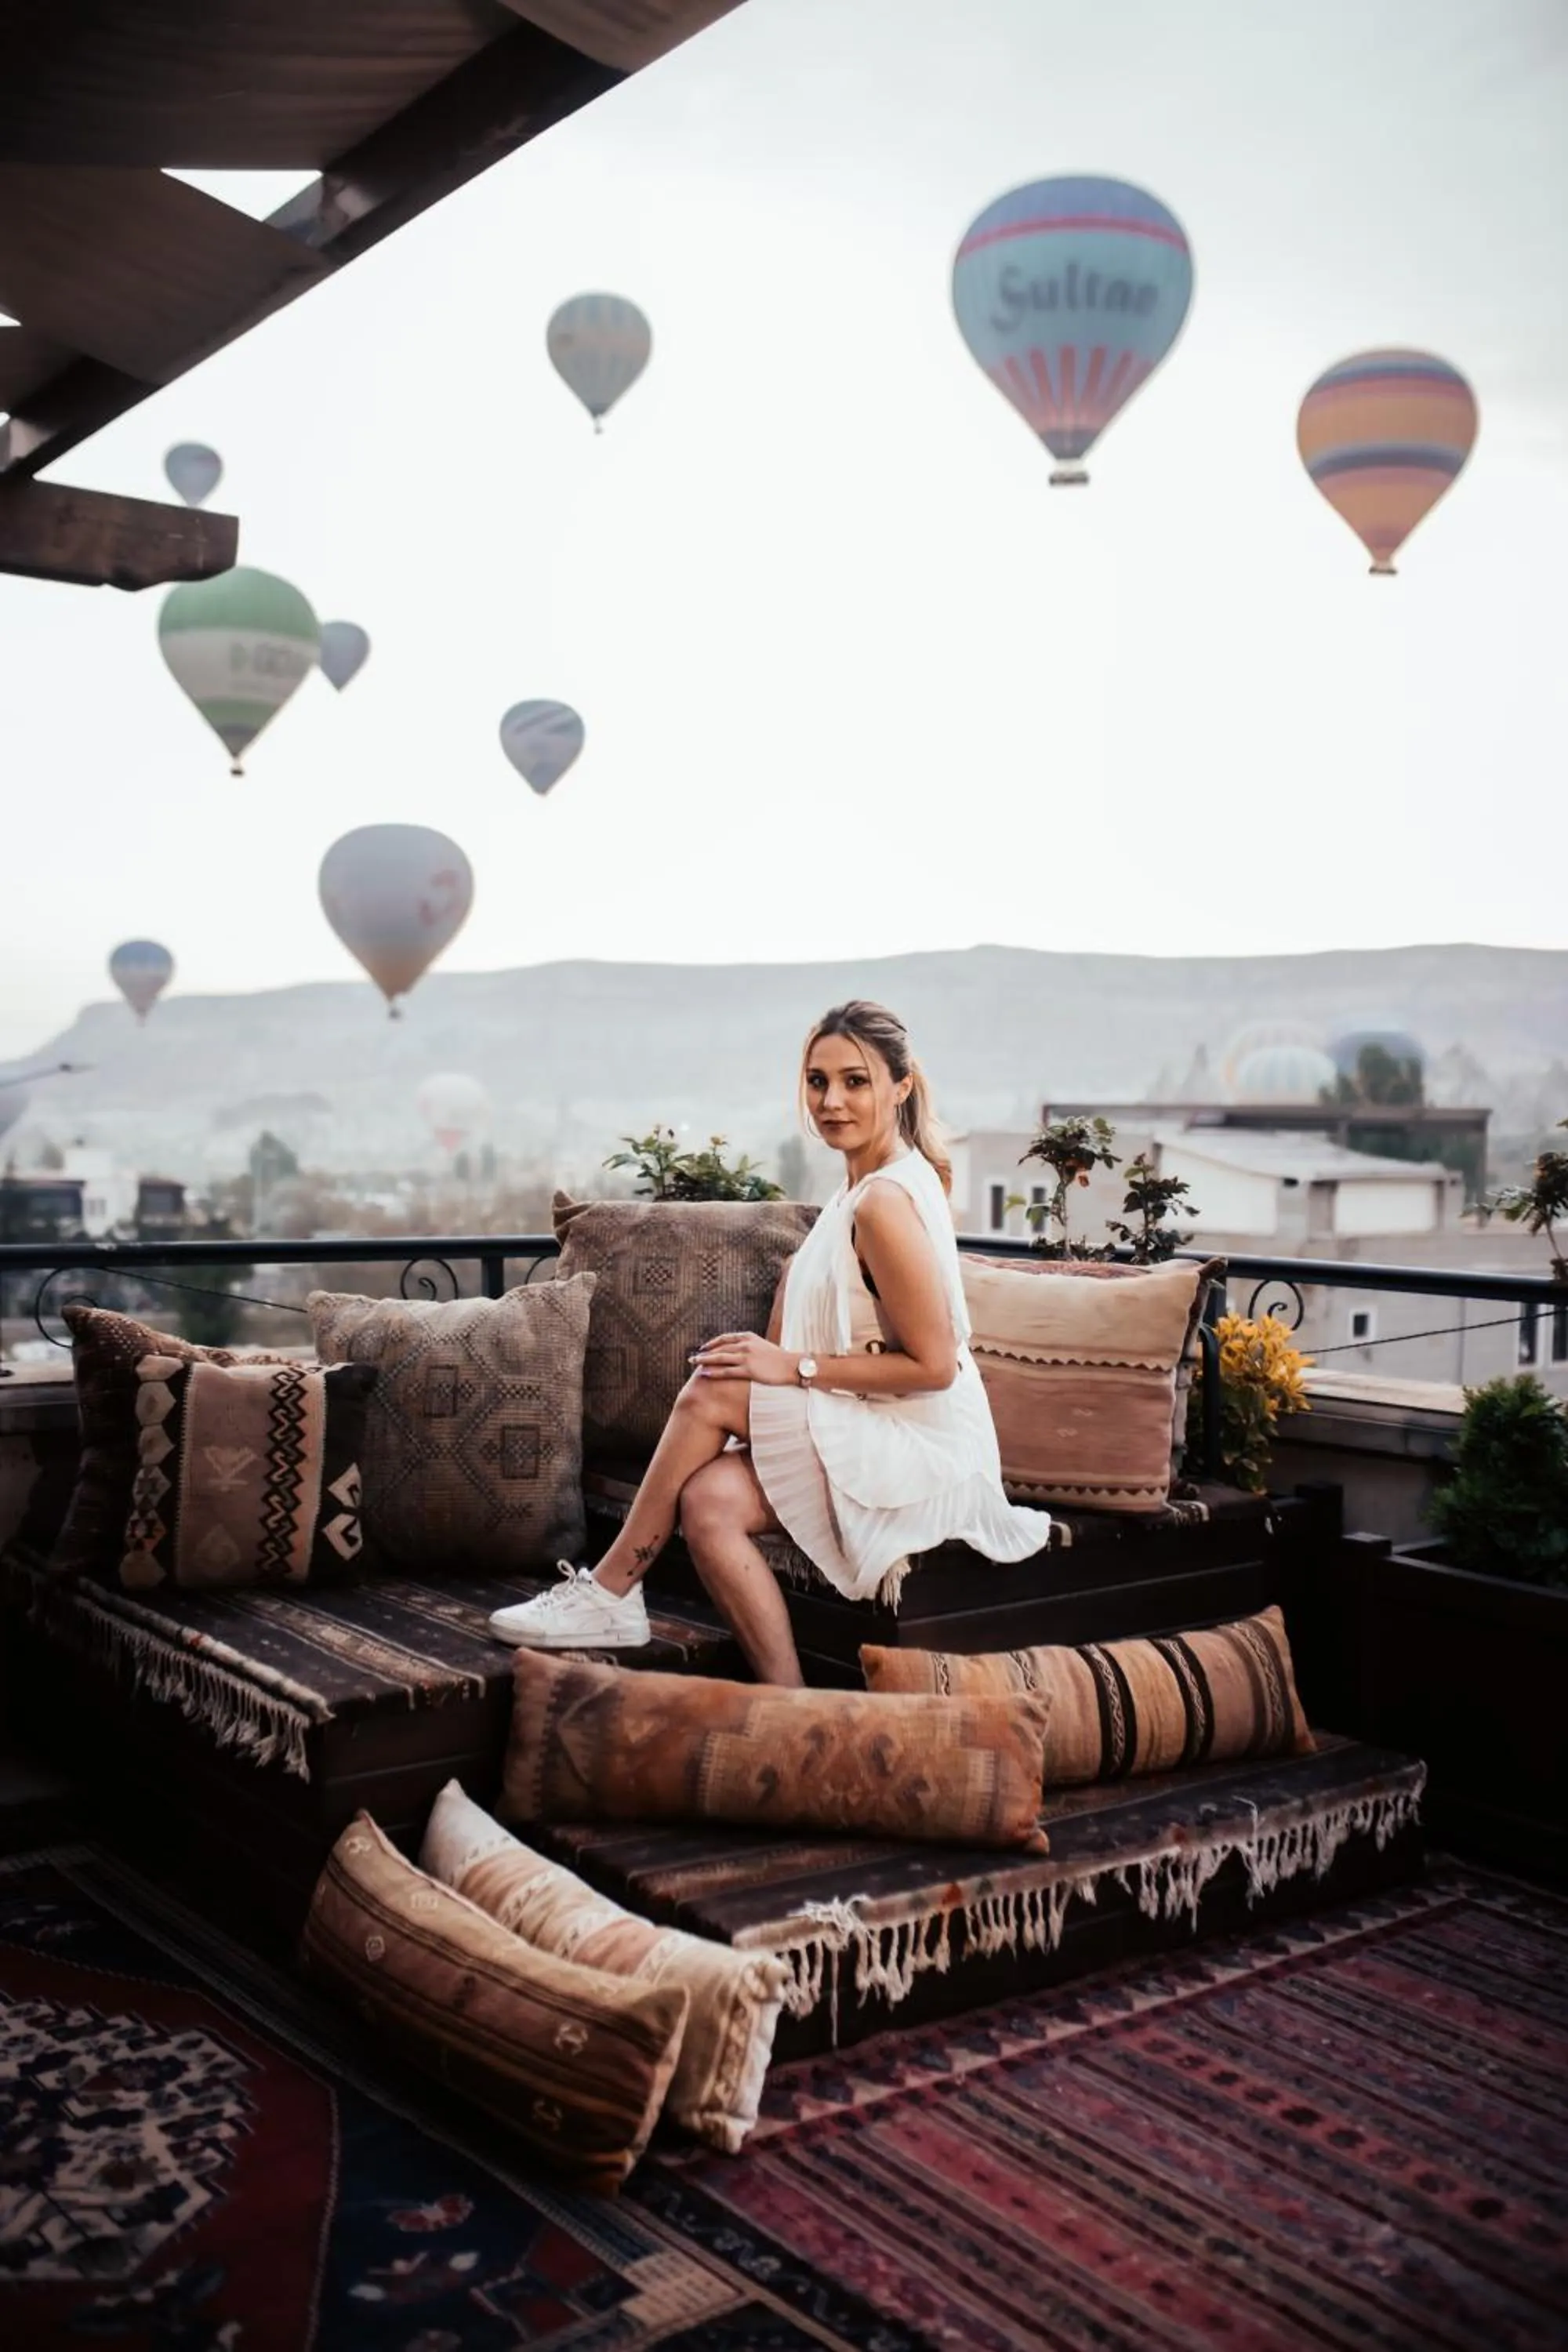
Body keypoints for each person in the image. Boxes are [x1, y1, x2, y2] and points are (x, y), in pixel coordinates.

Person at [488, 1000, 1051, 1683]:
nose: (832, 1101)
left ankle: (608, 1591)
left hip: (928, 1452)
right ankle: (790, 1705)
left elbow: (934, 1368)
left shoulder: (884, 1202)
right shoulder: (863, 1187)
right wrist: (775, 1375)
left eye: (856, 1081)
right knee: (709, 1502)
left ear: (900, 1087)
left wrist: (790, 1367)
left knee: (716, 1384)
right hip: (885, 1422)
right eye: (817, 1081)